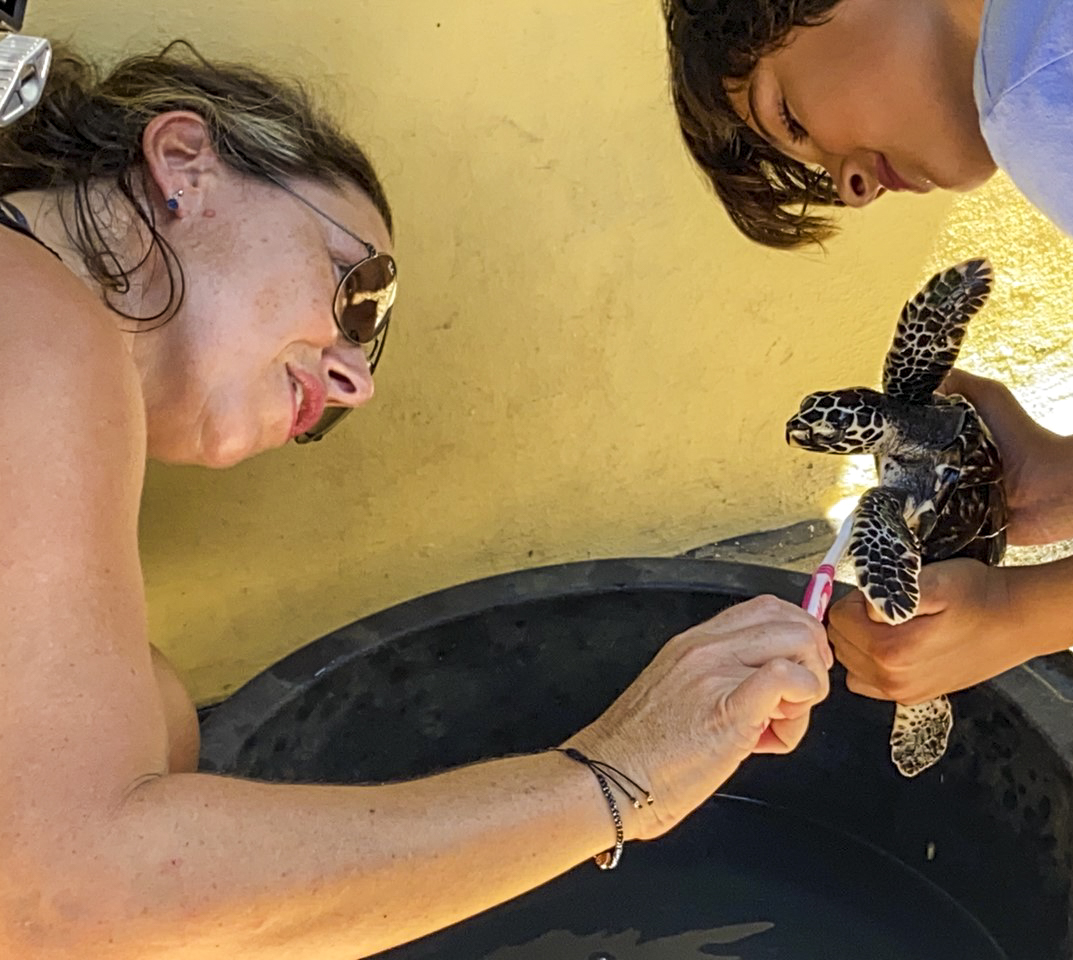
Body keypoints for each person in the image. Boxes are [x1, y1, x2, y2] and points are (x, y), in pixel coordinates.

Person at [0, 41, 832, 958]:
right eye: (359, 290)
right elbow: (76, 899)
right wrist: (617, 779)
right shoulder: (32, 317)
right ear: (186, 163)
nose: (357, 381)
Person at [663, 0, 1073, 956]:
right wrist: (1057, 481)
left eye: (793, 119)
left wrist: (1016, 618)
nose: (850, 184)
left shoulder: (1053, 72)